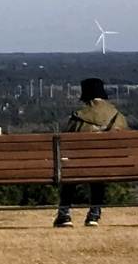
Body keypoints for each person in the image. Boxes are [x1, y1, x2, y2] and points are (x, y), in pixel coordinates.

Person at [54, 77, 127, 228]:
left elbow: (65, 140)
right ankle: (94, 214)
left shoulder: (78, 117)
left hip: (77, 165)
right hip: (107, 165)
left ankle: (64, 214)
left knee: (70, 175)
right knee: (98, 173)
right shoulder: (117, 117)